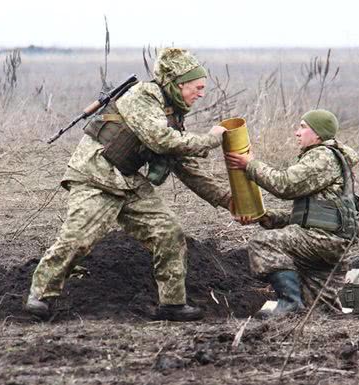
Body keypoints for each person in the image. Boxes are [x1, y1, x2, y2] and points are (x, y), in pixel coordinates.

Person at [25, 48, 232, 322]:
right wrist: (212, 139)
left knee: (168, 232)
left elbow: (187, 167)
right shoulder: (144, 96)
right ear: (179, 83)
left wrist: (229, 200)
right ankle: (40, 296)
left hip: (128, 182)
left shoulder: (172, 113)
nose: (201, 93)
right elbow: (162, 140)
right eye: (198, 87)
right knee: (78, 239)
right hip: (95, 177)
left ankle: (172, 304)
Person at [225, 109, 359, 318]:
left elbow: (285, 185)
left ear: (318, 134)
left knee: (263, 242)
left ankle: (289, 302)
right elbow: (310, 215)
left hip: (322, 240)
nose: (297, 132)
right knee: (320, 314)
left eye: (303, 127)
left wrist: (249, 165)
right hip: (330, 244)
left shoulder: (322, 155)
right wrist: (265, 216)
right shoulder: (332, 159)